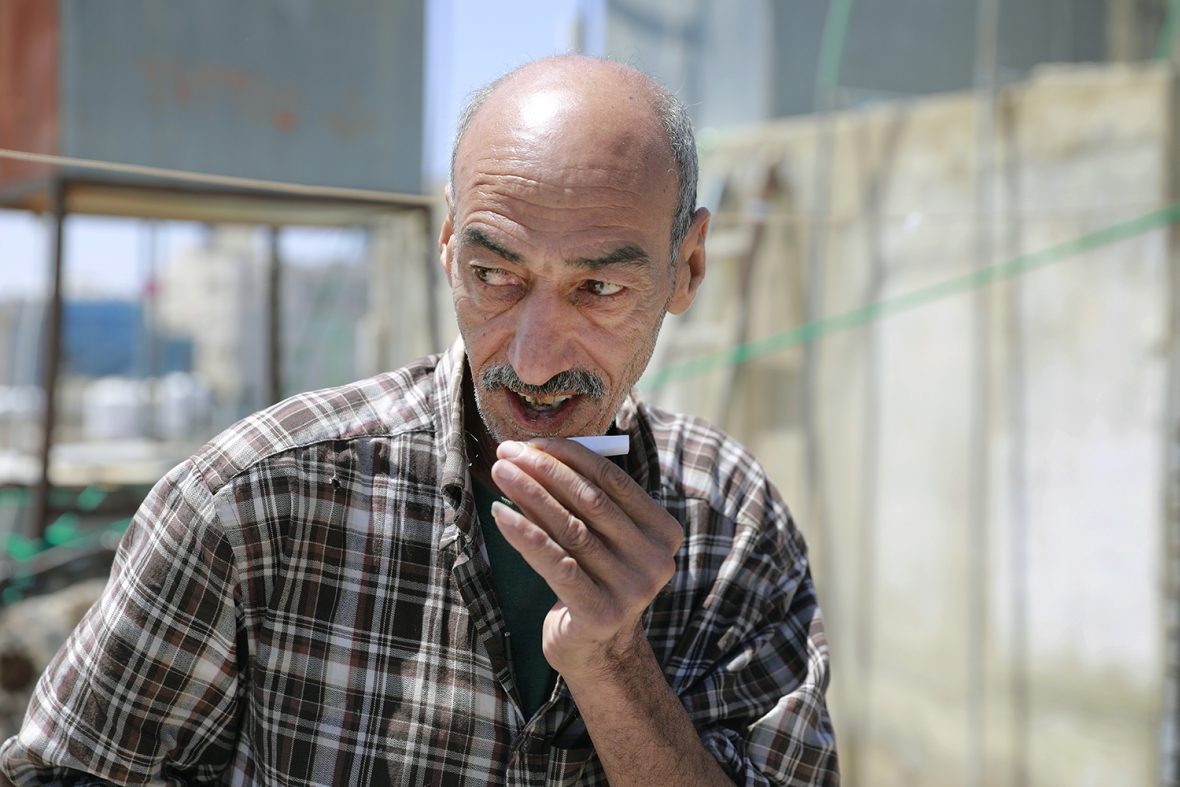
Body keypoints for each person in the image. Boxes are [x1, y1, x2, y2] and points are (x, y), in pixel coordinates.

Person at [0, 56, 838, 785]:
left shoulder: (732, 529)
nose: (537, 358)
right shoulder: (257, 504)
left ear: (685, 269)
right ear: (445, 245)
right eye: (494, 274)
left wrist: (616, 666)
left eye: (600, 289)